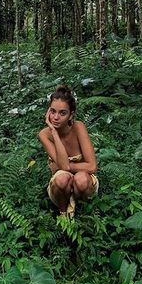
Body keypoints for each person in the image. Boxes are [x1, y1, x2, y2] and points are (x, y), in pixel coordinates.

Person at [38, 84, 98, 217]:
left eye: (62, 113)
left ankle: (84, 215)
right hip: (60, 187)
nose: (55, 117)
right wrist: (54, 132)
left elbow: (92, 166)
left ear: (71, 115)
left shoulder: (78, 127)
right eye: (52, 111)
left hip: (84, 183)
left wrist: (64, 166)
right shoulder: (44, 134)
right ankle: (64, 215)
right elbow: (64, 167)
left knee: (81, 179)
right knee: (62, 178)